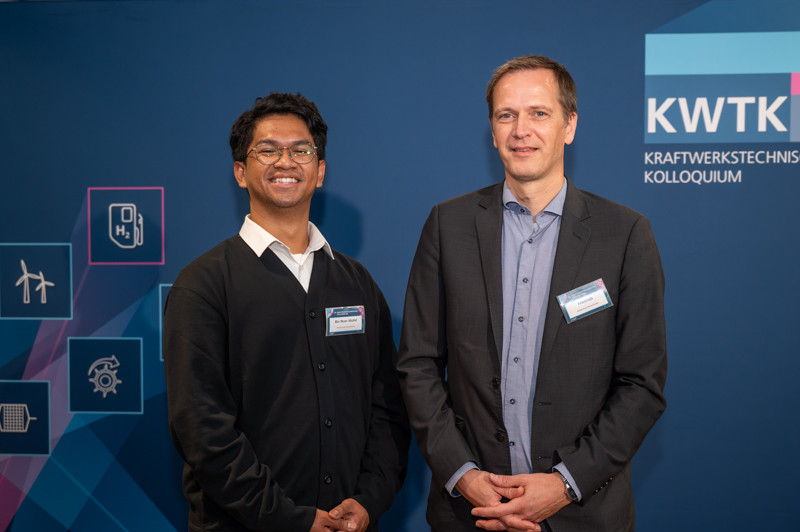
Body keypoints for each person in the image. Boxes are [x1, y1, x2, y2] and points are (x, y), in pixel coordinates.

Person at [395, 55, 667, 531]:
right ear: (492, 130)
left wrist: (564, 484)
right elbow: (418, 364)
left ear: (569, 125)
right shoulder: (447, 226)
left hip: (582, 514)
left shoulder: (625, 235)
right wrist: (464, 475)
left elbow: (641, 385)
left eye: (539, 113)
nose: (521, 130)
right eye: (506, 115)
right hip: (471, 513)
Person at [164, 92, 409, 532]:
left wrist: (369, 499)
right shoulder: (203, 285)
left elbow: (387, 408)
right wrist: (289, 519)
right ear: (240, 172)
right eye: (267, 150)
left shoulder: (357, 283)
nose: (285, 161)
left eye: (301, 150)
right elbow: (202, 430)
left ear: (320, 171)